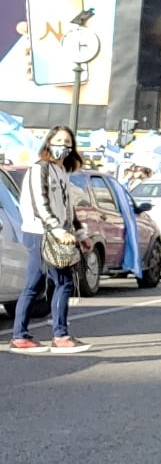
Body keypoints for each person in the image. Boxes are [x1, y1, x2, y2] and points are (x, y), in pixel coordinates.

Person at [9, 127, 89, 353]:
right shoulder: (40, 169)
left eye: (67, 142)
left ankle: (20, 336)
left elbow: (66, 207)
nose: (63, 146)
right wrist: (56, 230)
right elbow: (40, 204)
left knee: (34, 286)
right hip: (40, 233)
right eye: (59, 141)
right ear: (48, 143)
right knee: (63, 282)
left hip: (55, 234)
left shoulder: (61, 171)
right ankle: (60, 336)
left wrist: (79, 233)